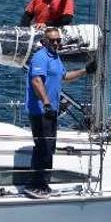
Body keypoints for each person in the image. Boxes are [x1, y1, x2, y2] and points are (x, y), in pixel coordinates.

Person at [23, 27, 96, 199]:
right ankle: (36, 184)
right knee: (43, 147)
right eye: (52, 40)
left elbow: (65, 77)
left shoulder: (55, 57)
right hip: (41, 110)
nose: (56, 43)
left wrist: (86, 70)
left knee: (49, 147)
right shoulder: (41, 57)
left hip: (51, 110)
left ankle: (43, 184)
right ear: (44, 42)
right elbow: (36, 81)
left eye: (58, 40)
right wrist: (47, 103)